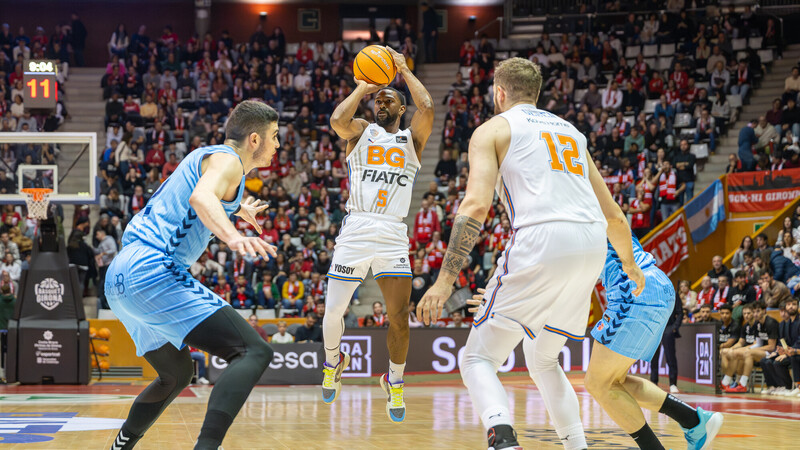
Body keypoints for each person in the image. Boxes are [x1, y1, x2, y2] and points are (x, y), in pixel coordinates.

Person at [418, 57, 627, 450]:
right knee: (544, 359)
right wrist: (630, 265)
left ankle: (504, 441)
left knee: (477, 359)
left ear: (499, 92)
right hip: (592, 243)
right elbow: (613, 213)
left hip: (542, 238)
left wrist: (444, 281)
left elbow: (476, 207)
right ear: (537, 92)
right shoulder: (572, 132)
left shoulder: (492, 129)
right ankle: (576, 445)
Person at [104, 100, 280, 450]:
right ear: (255, 140)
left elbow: (194, 194)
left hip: (119, 276)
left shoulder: (209, 157)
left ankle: (119, 447)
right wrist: (233, 236)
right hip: (153, 269)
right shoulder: (229, 161)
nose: (278, 145)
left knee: (176, 374)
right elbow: (201, 197)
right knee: (253, 351)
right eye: (275, 137)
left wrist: (236, 207)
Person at [321, 46, 433, 424]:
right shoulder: (361, 132)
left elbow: (428, 108)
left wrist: (402, 69)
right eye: (378, 100)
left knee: (399, 317)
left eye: (388, 98)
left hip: (391, 232)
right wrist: (362, 89)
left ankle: (395, 382)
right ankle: (333, 363)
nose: (380, 103)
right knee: (333, 310)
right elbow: (338, 120)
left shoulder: (411, 141)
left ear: (402, 109)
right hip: (357, 226)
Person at [649, 286, 683, 393]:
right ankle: (653, 382)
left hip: (668, 327)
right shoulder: (652, 293)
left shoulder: (673, 293)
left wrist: (674, 327)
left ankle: (673, 384)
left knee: (670, 357)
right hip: (655, 327)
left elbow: (680, 312)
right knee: (654, 357)